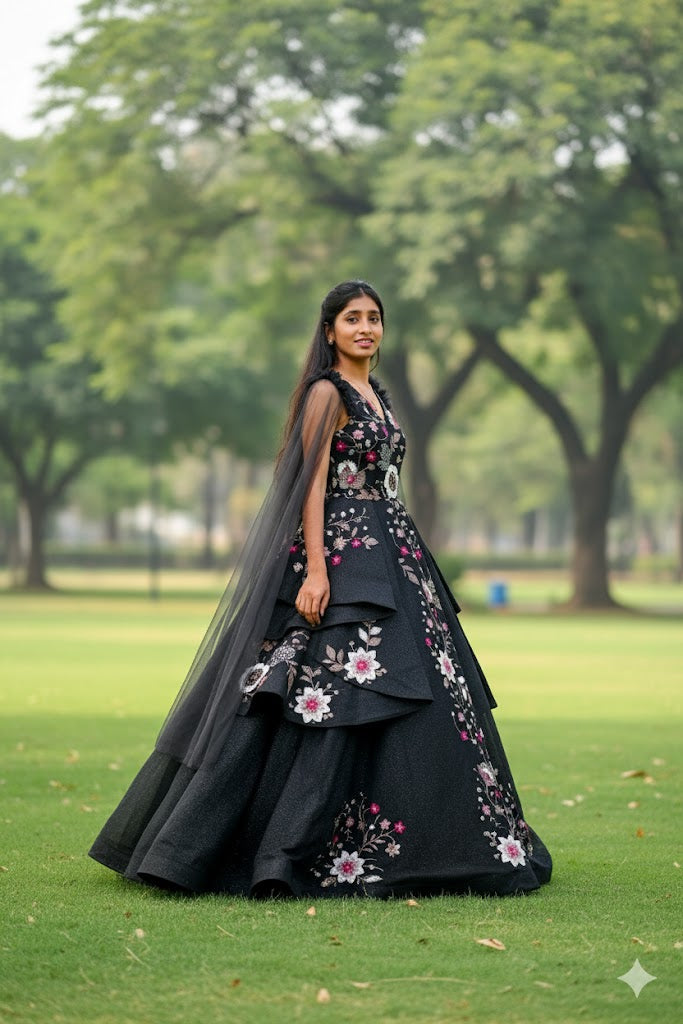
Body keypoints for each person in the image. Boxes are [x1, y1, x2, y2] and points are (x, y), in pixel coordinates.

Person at [89, 280, 552, 898]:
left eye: (374, 319)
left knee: (425, 692)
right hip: (342, 553)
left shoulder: (377, 395)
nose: (366, 328)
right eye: (352, 318)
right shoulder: (326, 393)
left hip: (395, 556)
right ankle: (262, 846)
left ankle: (438, 842)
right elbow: (311, 483)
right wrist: (315, 568)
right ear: (329, 330)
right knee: (320, 695)